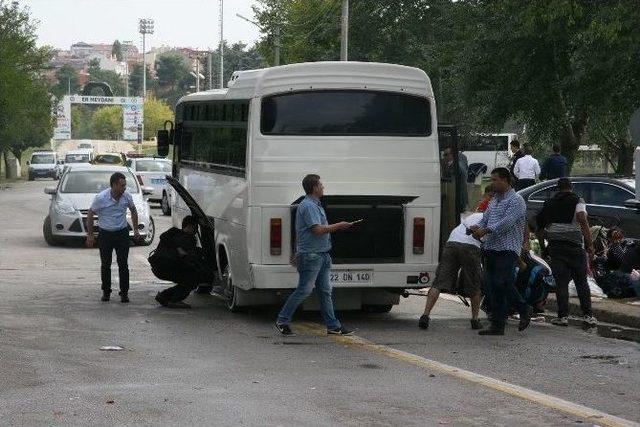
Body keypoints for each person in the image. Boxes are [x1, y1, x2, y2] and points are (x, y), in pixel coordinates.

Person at [275, 174, 354, 337]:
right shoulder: (309, 206)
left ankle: (333, 326)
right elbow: (317, 230)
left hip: (322, 255)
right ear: (314, 188)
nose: (323, 187)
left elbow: (299, 230)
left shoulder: (315, 205)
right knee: (304, 290)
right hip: (312, 256)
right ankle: (282, 320)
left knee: (325, 291)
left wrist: (296, 250)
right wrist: (340, 225)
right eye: (321, 185)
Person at [469, 167, 532, 336]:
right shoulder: (495, 200)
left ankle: (523, 307)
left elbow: (507, 223)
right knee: (492, 287)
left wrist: (486, 230)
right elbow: (486, 219)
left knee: (501, 282)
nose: (492, 182)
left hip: (508, 248)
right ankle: (498, 325)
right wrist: (478, 228)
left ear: (505, 180)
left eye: (495, 179)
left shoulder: (516, 200)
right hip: (491, 247)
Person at [535, 178, 596, 327]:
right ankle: (587, 315)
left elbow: (539, 229)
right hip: (574, 246)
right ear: (571, 187)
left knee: (561, 283)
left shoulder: (549, 203)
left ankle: (562, 317)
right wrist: (590, 244)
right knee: (581, 281)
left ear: (557, 188)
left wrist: (544, 248)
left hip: (556, 247)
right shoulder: (578, 200)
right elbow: (582, 218)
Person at [419, 206, 488, 331]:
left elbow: (468, 225)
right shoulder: (491, 219)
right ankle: (475, 319)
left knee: (439, 282)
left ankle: (425, 315)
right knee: (475, 284)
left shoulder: (474, 216)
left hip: (452, 244)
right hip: (471, 248)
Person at [86, 172, 140, 303]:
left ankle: (124, 293)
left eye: (125, 185)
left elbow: (133, 210)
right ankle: (106, 292)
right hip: (106, 234)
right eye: (122, 185)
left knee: (123, 264)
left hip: (122, 233)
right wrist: (91, 235)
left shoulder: (126, 196)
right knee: (106, 264)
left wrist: (136, 230)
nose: (124, 188)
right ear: (114, 185)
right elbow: (90, 213)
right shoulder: (101, 198)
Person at [153, 215, 215, 309]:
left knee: (187, 277)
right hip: (168, 268)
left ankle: (164, 296)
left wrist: (178, 248)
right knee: (193, 278)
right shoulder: (188, 239)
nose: (195, 231)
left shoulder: (173, 232)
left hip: (157, 267)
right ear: (189, 226)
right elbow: (191, 260)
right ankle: (174, 300)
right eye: (195, 228)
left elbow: (163, 236)